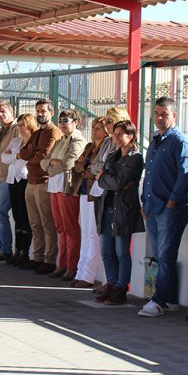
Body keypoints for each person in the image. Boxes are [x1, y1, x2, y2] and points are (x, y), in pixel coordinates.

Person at [138, 97, 188, 318]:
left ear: (174, 115)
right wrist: (145, 200)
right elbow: (149, 173)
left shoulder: (180, 142)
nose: (159, 118)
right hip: (153, 206)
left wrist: (172, 201)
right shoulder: (156, 140)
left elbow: (186, 174)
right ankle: (170, 298)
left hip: (170, 208)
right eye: (156, 113)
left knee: (166, 254)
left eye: (164, 114)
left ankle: (159, 300)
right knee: (160, 254)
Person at [94, 120, 145, 305]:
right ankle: (112, 282)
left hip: (123, 208)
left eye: (120, 134)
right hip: (106, 206)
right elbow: (104, 178)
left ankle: (121, 287)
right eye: (114, 133)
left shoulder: (135, 158)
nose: (115, 137)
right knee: (106, 250)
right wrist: (107, 179)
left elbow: (119, 182)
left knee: (121, 250)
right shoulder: (113, 156)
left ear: (130, 136)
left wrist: (106, 178)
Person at [41, 109, 86, 279]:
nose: (62, 123)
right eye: (60, 120)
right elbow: (44, 163)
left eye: (66, 120)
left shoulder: (78, 140)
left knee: (70, 228)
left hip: (67, 188)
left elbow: (68, 163)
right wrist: (53, 162)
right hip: (54, 186)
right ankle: (62, 264)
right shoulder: (61, 141)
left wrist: (53, 163)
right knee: (60, 228)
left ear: (76, 122)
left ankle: (71, 267)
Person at [18, 99, 61, 273]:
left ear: (52, 112)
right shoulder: (36, 133)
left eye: (43, 111)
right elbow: (23, 152)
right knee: (34, 223)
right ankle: (37, 256)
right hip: (30, 182)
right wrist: (31, 155)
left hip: (44, 182)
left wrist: (32, 156)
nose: (40, 114)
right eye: (38, 111)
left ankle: (49, 260)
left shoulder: (53, 132)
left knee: (47, 224)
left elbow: (44, 155)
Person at [70, 117, 109, 288]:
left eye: (99, 128)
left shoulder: (106, 147)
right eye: (94, 127)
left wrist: (88, 169)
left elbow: (97, 168)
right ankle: (81, 271)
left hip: (95, 192)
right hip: (84, 190)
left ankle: (88, 275)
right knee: (85, 232)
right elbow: (78, 166)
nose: (94, 131)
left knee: (92, 234)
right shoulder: (89, 147)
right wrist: (87, 169)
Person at [1, 114, 35, 267]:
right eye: (19, 124)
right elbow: (4, 158)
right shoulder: (16, 141)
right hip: (13, 180)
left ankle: (25, 252)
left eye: (23, 125)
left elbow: (28, 159)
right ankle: (18, 249)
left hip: (25, 180)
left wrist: (15, 157)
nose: (20, 128)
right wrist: (17, 155)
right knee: (16, 215)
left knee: (24, 215)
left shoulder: (34, 141)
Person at [0, 100, 18, 261]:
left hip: (8, 178)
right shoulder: (1, 130)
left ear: (11, 112)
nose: (0, 115)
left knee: (0, 211)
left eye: (3, 111)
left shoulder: (16, 130)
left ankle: (6, 248)